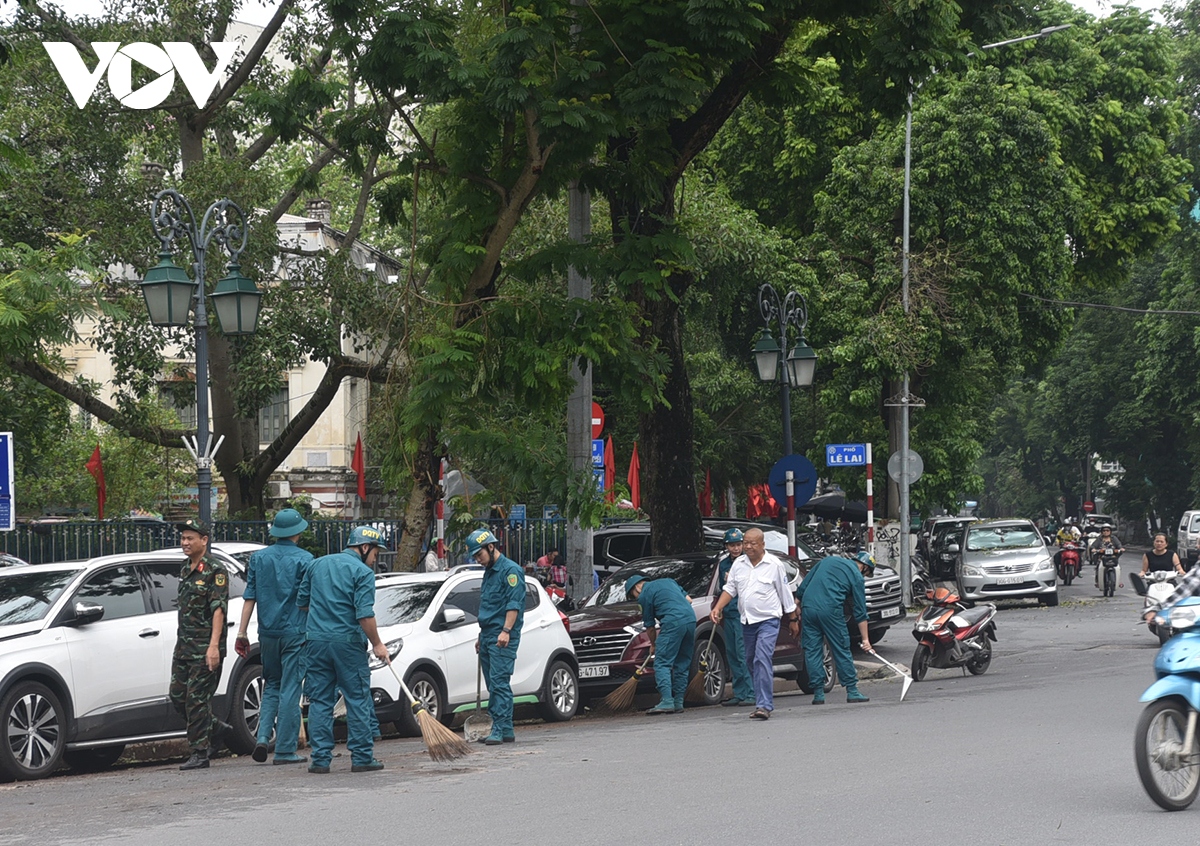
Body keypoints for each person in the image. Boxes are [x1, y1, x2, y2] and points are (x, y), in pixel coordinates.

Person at [297, 525, 390, 774]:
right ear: (364, 547)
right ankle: (361, 757)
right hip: (347, 644)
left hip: (316, 642)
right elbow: (365, 615)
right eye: (375, 554)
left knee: (319, 700)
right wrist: (378, 644)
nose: (374, 559)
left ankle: (319, 759)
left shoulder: (317, 565)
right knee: (357, 698)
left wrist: (324, 615)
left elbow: (302, 603)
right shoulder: (362, 572)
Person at [235, 508, 312, 765]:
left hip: (267, 633)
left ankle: (262, 738)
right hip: (295, 632)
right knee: (291, 688)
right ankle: (285, 749)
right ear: (297, 532)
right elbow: (308, 600)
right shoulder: (305, 559)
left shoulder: (259, 558)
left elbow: (250, 596)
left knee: (272, 686)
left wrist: (242, 632)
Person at [710, 528, 798, 720]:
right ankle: (761, 698)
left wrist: (793, 619)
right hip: (747, 621)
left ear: (762, 544)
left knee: (761, 658)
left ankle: (764, 705)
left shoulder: (774, 565)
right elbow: (730, 589)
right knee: (750, 660)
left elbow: (785, 593)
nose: (748, 547)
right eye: (746, 543)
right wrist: (718, 608)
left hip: (768, 620)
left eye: (752, 543)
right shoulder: (738, 565)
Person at [169, 518, 232, 771]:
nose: (185, 542)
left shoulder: (215, 570)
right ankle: (216, 729)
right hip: (184, 646)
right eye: (183, 538)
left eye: (190, 538)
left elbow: (218, 610)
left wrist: (214, 646)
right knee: (177, 697)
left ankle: (199, 752)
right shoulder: (185, 568)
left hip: (205, 647)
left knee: (196, 700)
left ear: (204, 541)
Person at [467, 528, 526, 744]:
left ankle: (499, 728)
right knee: (493, 683)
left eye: (479, 555)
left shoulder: (511, 571)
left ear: (491, 547)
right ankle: (506, 728)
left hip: (503, 635)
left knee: (499, 682)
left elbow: (514, 604)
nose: (478, 560)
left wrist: (506, 631)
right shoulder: (489, 571)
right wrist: (482, 636)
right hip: (489, 634)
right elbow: (489, 607)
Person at [795, 550, 873, 705]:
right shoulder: (857, 577)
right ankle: (852, 690)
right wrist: (866, 639)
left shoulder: (827, 560)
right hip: (830, 610)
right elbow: (860, 611)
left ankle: (818, 693)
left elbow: (804, 584)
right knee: (841, 648)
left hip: (808, 608)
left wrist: (796, 605)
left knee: (812, 650)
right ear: (864, 567)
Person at [626, 572, 696, 715]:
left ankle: (667, 701)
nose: (636, 598)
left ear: (636, 589)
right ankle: (678, 702)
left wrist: (653, 645)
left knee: (662, 662)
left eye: (633, 596)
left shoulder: (644, 595)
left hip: (673, 622)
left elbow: (650, 626)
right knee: (682, 662)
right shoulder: (669, 581)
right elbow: (689, 600)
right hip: (690, 620)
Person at [712, 528, 754, 707]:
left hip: (742, 614)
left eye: (738, 545)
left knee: (743, 653)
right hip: (728, 614)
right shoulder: (723, 565)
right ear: (726, 546)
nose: (736, 549)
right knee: (732, 654)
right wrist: (719, 608)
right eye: (732, 545)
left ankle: (751, 693)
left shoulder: (748, 562)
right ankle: (739, 692)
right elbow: (724, 589)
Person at [1089, 523, 1126, 588]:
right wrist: (1094, 549)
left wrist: (1120, 549)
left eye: (1107, 530)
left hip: (1113, 557)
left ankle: (1118, 581)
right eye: (1104, 531)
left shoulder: (1114, 538)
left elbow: (1119, 545)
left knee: (1118, 568)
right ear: (1102, 532)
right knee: (1098, 567)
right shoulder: (1099, 539)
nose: (1106, 532)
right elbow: (1093, 546)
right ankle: (1098, 581)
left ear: (1110, 532)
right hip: (1102, 557)